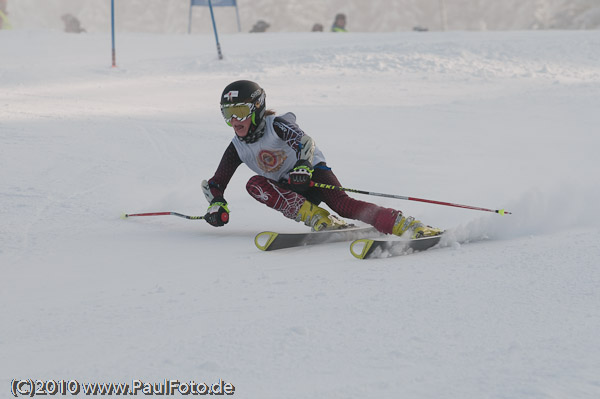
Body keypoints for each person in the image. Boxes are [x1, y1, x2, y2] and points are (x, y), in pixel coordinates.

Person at [202, 80, 442, 239]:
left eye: (240, 112)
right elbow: (215, 183)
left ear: (256, 108)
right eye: (227, 113)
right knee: (254, 184)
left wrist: (303, 166)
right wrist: (217, 203)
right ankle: (318, 218)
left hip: (312, 175)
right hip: (290, 191)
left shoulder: (277, 125)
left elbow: (304, 142)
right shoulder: (237, 147)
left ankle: (406, 225)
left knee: (344, 206)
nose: (234, 120)